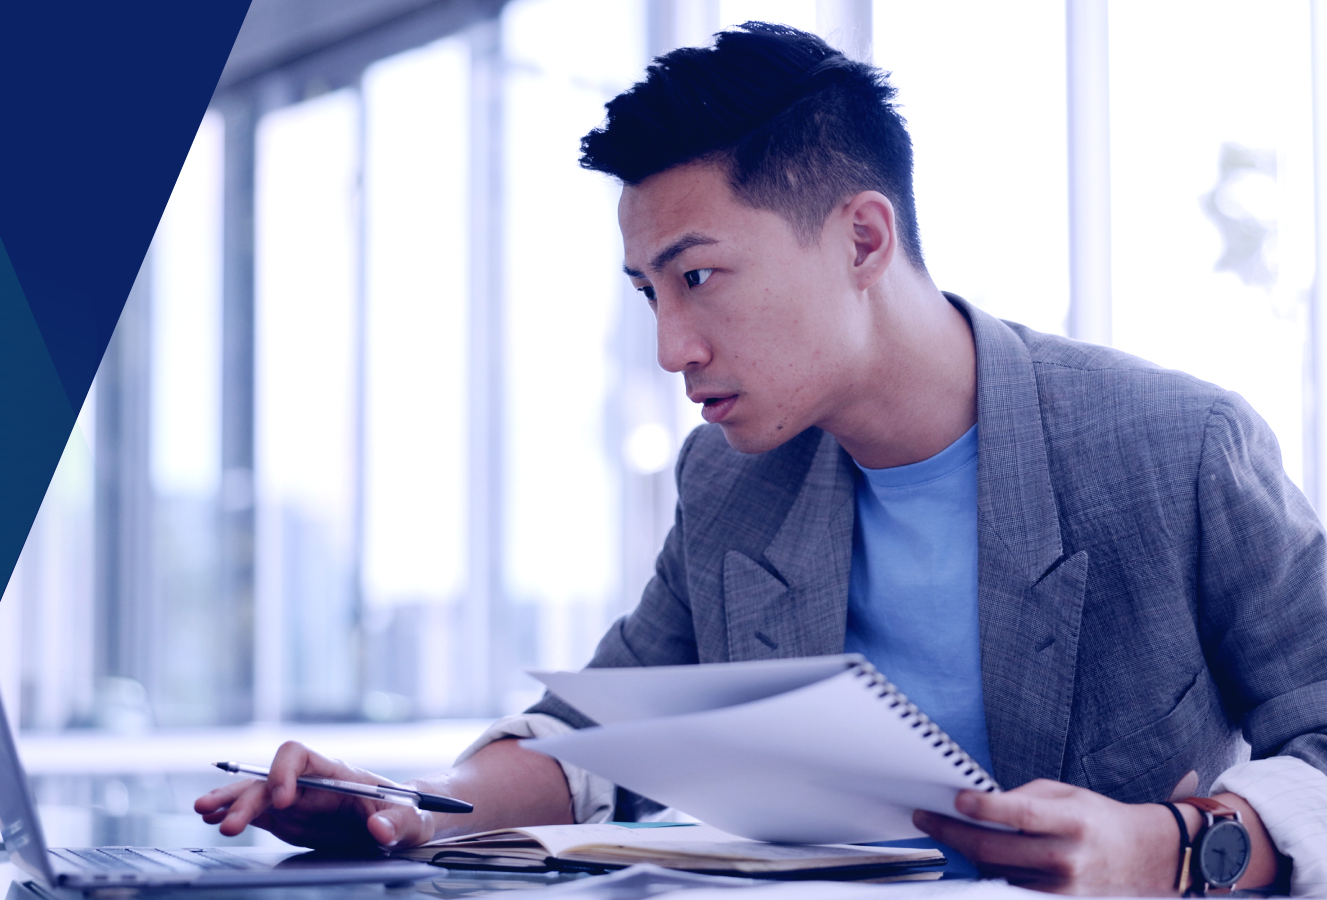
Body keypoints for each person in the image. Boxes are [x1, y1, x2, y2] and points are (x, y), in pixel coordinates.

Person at [196, 23, 1327, 894]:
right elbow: (610, 739)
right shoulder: (734, 481)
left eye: (698, 278)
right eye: (647, 293)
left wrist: (1177, 850)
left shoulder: (1172, 449)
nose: (669, 348)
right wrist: (415, 805)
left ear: (862, 239)